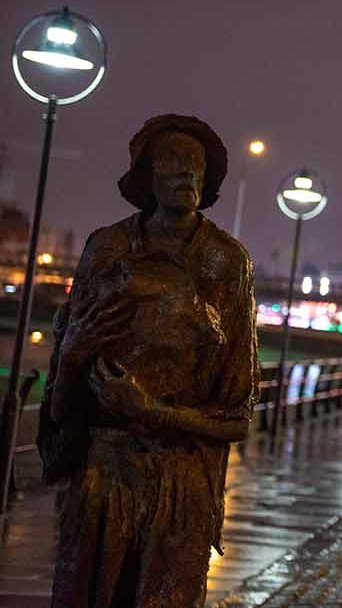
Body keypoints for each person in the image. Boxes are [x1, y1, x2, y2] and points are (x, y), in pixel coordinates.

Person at [37, 114, 258, 607]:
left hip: (182, 483)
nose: (186, 175)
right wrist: (71, 354)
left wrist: (148, 410)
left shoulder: (226, 261)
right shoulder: (107, 248)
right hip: (104, 476)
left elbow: (236, 417)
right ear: (146, 176)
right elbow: (60, 408)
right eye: (172, 163)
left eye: (196, 165)